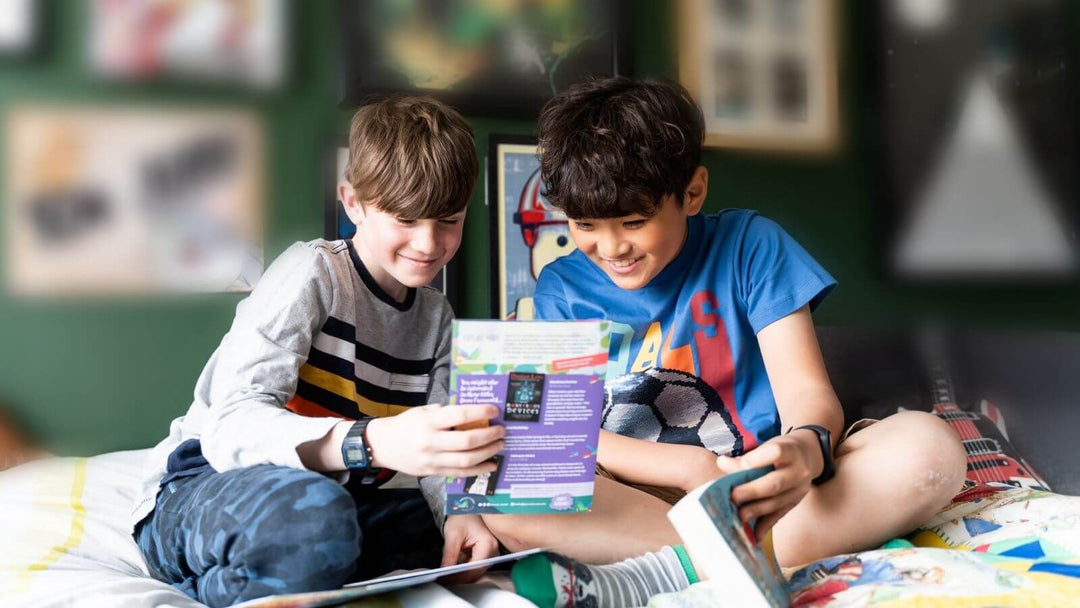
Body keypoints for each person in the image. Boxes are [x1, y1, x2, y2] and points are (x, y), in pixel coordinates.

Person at [488, 77, 968, 608]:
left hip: (760, 495)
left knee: (930, 448)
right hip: (634, 501)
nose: (611, 246)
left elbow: (807, 395)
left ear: (692, 192)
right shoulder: (562, 285)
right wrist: (686, 469)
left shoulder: (750, 245)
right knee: (503, 491)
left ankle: (661, 573)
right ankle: (760, 558)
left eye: (634, 221)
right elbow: (564, 435)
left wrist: (803, 448)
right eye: (584, 225)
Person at [131, 96, 504, 607]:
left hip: (335, 495)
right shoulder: (312, 273)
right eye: (405, 219)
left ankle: (303, 567)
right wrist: (369, 442)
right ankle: (239, 576)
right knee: (314, 519)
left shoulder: (437, 317)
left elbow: (436, 457)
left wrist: (461, 514)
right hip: (207, 484)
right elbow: (230, 427)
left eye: (449, 220)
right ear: (353, 203)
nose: (428, 242)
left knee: (498, 526)